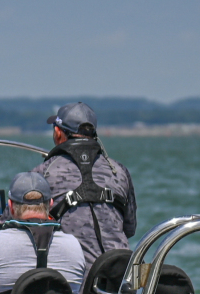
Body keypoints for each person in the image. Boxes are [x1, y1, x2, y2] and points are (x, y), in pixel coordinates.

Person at [32, 101, 137, 268]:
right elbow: (130, 229)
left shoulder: (42, 174)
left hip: (73, 282)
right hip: (121, 278)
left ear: (58, 133)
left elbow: (20, 226)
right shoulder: (119, 171)